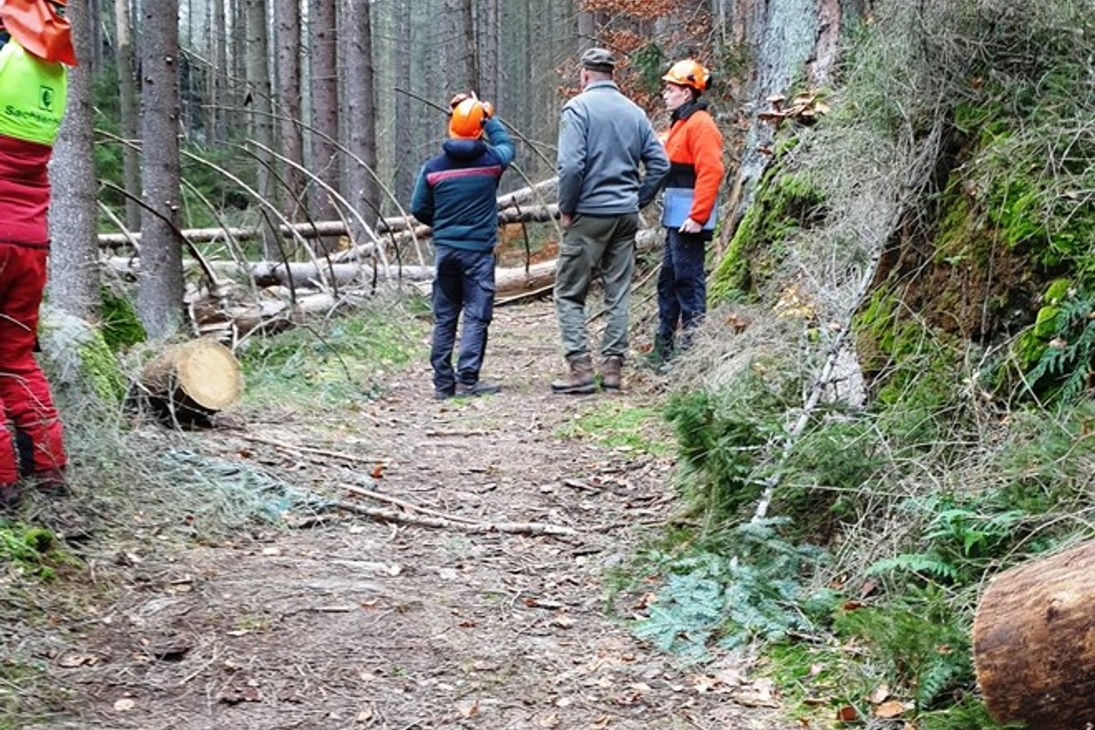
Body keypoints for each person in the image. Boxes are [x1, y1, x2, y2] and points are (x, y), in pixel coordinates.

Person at [552, 47, 669, 394]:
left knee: (569, 293)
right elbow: (660, 165)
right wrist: (637, 200)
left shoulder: (578, 108)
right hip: (625, 215)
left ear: (585, 75)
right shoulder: (635, 113)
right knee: (617, 293)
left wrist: (567, 206)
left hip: (588, 213)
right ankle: (613, 369)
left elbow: (571, 166)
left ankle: (580, 369)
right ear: (611, 75)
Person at [0, 0, 77, 513]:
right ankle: (51, 475)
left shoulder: (4, 60)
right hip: (30, 239)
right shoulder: (54, 71)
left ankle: (3, 486)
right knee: (16, 359)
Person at [412, 93, 515, 400]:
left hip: (446, 251)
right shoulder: (492, 164)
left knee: (445, 315)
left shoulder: (432, 168)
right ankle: (467, 380)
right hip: (478, 253)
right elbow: (507, 144)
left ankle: (443, 384)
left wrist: (441, 222)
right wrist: (487, 114)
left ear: (451, 127)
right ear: (480, 130)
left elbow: (419, 208)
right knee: (476, 314)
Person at [650, 59, 724, 368]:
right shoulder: (682, 122)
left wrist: (698, 216)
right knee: (668, 280)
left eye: (670, 89)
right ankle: (664, 347)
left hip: (689, 216)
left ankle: (694, 352)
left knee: (688, 281)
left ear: (687, 92)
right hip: (676, 212)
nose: (665, 94)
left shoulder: (701, 124)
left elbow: (711, 170)